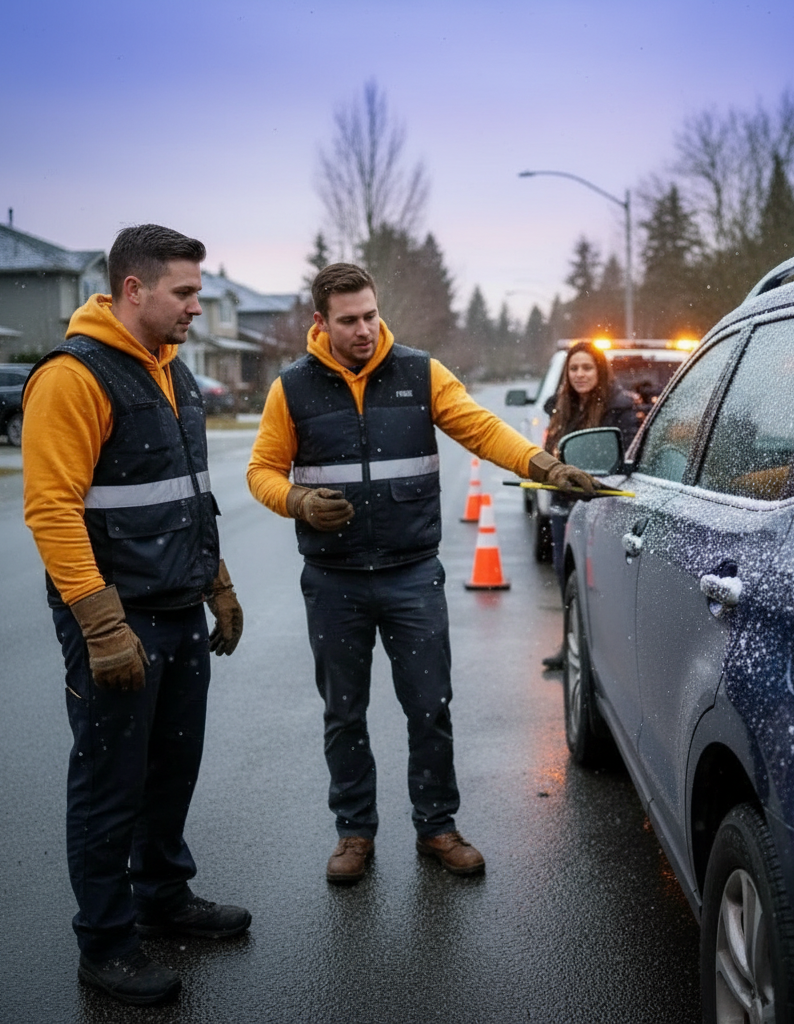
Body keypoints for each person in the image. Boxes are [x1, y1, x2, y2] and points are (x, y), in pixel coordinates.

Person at [246, 262, 599, 885]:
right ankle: (354, 834)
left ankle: (437, 826)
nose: (363, 330)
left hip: (412, 574)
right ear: (320, 323)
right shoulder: (291, 389)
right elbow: (262, 471)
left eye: (370, 316)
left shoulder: (418, 372)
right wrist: (296, 500)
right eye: (348, 320)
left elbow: (481, 428)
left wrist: (542, 462)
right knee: (344, 713)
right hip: (334, 580)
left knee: (429, 707)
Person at [22, 224, 250, 1008]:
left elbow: (187, 496)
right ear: (133, 290)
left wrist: (215, 582)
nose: (195, 306)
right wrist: (101, 624)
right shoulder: (73, 377)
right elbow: (51, 510)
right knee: (108, 782)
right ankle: (107, 944)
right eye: (184, 293)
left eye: (197, 292)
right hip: (116, 619)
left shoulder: (174, 373)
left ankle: (163, 896)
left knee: (170, 768)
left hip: (179, 605)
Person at [541, 342, 639, 669]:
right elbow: (551, 452)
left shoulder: (619, 407)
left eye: (587, 368)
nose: (580, 375)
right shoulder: (562, 406)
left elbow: (623, 458)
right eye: (574, 369)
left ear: (600, 371)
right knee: (566, 577)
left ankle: (605, 656)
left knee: (599, 585)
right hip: (563, 506)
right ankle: (570, 643)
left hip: (599, 507)